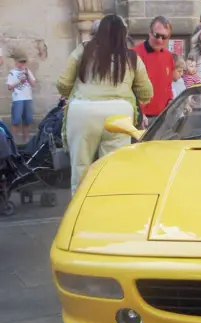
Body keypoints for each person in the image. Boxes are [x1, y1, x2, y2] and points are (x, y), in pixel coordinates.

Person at [56, 14, 153, 195]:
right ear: (123, 35)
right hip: (118, 116)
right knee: (114, 170)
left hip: (82, 113)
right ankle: (110, 211)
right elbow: (147, 92)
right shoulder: (132, 58)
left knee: (80, 169)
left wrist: (74, 91)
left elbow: (63, 84)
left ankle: (80, 214)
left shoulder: (82, 50)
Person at [133, 16, 175, 127]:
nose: (160, 40)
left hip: (163, 116)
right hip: (142, 117)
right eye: (157, 35)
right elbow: (130, 87)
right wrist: (139, 113)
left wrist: (171, 101)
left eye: (164, 37)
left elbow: (168, 85)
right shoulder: (134, 54)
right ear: (150, 33)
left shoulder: (168, 56)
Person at [6, 49, 36, 143]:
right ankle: (13, 141)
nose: (22, 64)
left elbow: (33, 85)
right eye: (20, 62)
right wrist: (20, 81)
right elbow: (9, 87)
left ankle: (26, 140)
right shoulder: (12, 72)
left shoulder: (27, 71)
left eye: (24, 62)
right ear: (16, 62)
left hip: (28, 99)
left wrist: (27, 76)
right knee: (16, 121)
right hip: (18, 99)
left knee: (27, 120)